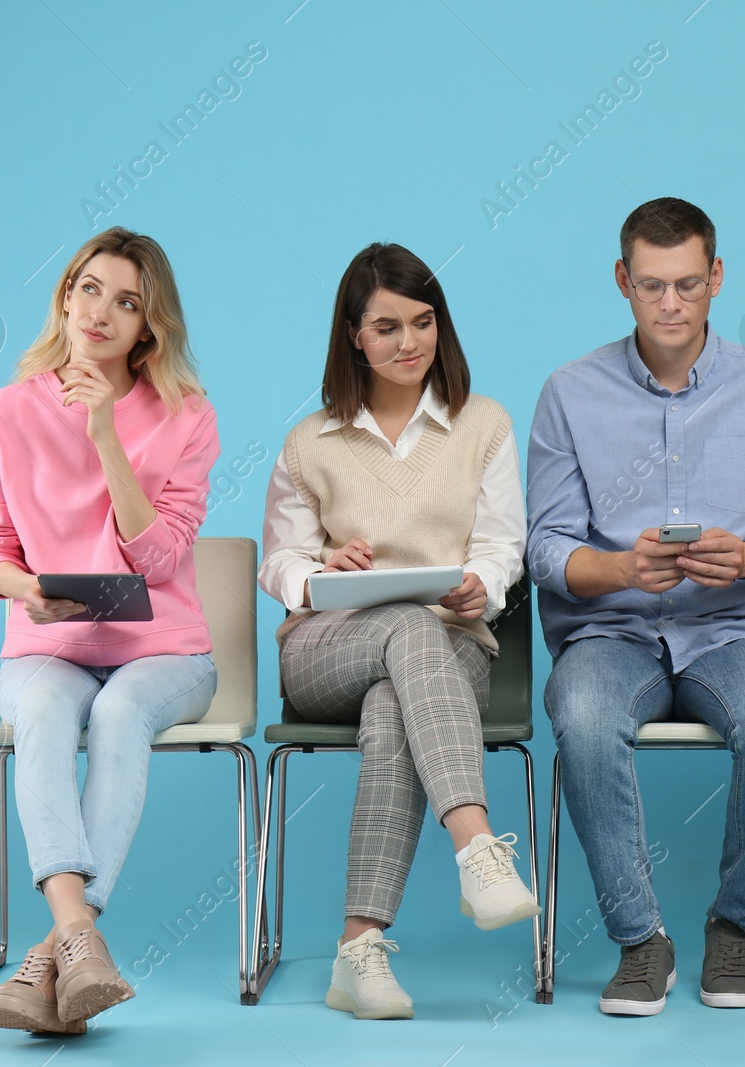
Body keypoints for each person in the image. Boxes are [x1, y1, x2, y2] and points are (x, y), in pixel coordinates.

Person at [527, 197, 745, 1016]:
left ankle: (735, 925)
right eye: (652, 285)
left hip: (732, 629)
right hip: (611, 631)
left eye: (689, 284)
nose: (670, 304)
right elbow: (545, 549)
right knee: (582, 717)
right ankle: (640, 939)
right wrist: (620, 567)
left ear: (717, 278)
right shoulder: (568, 392)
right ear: (622, 280)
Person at [258, 242, 540, 1020]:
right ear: (353, 334)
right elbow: (278, 558)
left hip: (448, 647)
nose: (409, 342)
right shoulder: (309, 440)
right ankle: (477, 844)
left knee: (397, 700)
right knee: (400, 634)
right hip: (325, 649)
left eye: (424, 323)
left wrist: (483, 585)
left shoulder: (482, 424)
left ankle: (359, 953)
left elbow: (500, 542)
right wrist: (320, 570)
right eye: (387, 327)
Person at [0, 227, 219, 1034]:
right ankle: (79, 935)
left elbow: (160, 553)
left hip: (166, 651)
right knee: (39, 710)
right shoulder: (0, 413)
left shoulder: (186, 414)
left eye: (127, 301)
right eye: (89, 289)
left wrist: (105, 431)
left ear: (149, 326)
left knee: (117, 713)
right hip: (49, 644)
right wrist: (28, 589)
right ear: (64, 295)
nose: (101, 312)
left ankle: (52, 949)